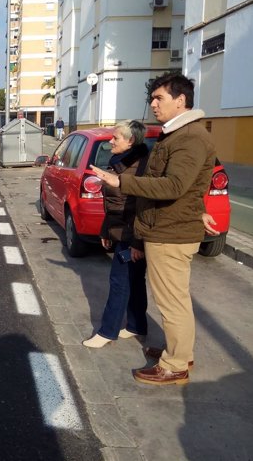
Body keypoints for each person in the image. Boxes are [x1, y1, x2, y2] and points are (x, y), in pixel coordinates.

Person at [91, 72, 217, 386]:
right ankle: (179, 353)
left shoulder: (189, 137)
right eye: (152, 98)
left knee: (171, 302)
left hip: (170, 233)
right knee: (176, 300)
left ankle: (174, 365)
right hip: (168, 228)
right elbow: (190, 186)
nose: (153, 104)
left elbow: (175, 185)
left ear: (181, 100)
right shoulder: (176, 135)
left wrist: (121, 181)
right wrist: (198, 210)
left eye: (159, 98)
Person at [83, 120, 149, 348]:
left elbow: (141, 208)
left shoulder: (140, 168)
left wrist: (138, 243)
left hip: (132, 235)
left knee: (120, 282)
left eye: (116, 138)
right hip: (121, 231)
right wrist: (105, 229)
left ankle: (107, 331)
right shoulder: (121, 163)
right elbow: (113, 204)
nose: (110, 141)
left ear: (130, 141)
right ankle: (136, 325)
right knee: (134, 280)